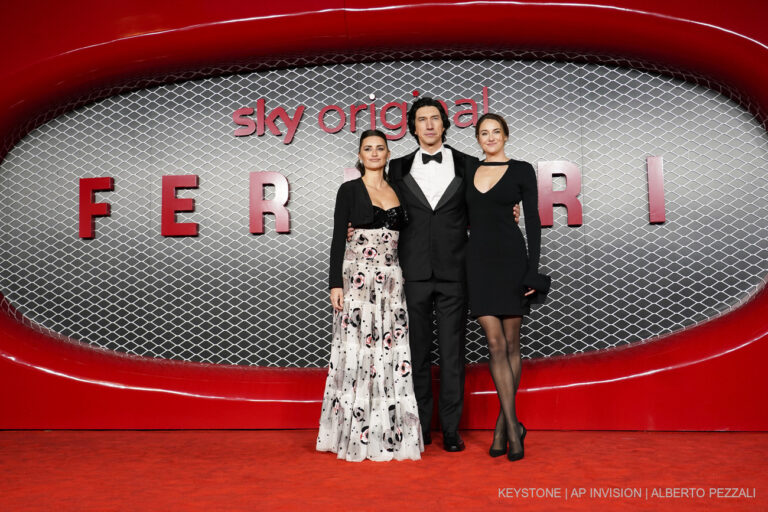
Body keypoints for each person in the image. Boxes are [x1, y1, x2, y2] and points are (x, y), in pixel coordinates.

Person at [387, 98, 521, 451]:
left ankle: (450, 429)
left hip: (457, 270)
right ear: (412, 127)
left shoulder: (469, 164)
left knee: (452, 354)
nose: (429, 125)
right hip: (411, 271)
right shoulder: (396, 168)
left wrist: (510, 210)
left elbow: (487, 203)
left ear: (444, 125)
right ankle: (419, 429)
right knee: (416, 355)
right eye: (421, 120)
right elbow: (385, 209)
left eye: (434, 119)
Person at [316, 129, 423, 461]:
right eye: (368, 149)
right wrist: (335, 283)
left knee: (390, 353)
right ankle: (354, 434)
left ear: (388, 154)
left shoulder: (399, 190)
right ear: (360, 155)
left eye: (380, 148)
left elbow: (421, 230)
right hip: (358, 281)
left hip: (392, 281)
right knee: (358, 352)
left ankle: (389, 433)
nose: (374, 153)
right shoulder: (348, 190)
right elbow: (337, 238)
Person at [465, 113, 550, 461]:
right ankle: (515, 426)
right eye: (483, 133)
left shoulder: (522, 170)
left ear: (506, 135)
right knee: (495, 343)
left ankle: (503, 428)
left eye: (495, 132)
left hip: (512, 261)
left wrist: (532, 271)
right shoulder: (467, 171)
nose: (490, 137)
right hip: (478, 264)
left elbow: (534, 222)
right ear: (478, 138)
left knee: (512, 344)